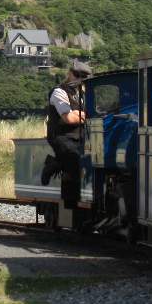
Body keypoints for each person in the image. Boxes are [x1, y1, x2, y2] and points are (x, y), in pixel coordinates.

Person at [41, 60, 92, 209]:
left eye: (82, 76)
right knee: (74, 158)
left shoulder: (85, 94)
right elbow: (68, 118)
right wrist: (85, 114)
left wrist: (79, 114)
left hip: (80, 136)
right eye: (77, 75)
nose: (79, 79)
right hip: (61, 136)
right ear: (70, 74)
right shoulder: (59, 92)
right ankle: (71, 202)